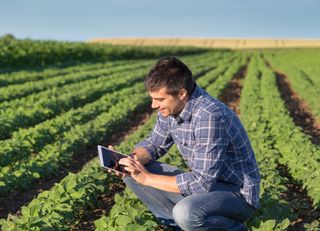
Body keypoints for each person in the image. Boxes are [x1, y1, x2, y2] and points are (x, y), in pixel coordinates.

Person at [110, 56, 260, 231]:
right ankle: (179, 227)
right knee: (131, 174)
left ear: (182, 93)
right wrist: (130, 160)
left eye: (159, 99)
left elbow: (201, 183)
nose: (153, 105)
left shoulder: (209, 115)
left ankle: (233, 227)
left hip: (237, 194)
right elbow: (154, 144)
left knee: (186, 212)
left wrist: (148, 178)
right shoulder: (171, 108)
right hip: (209, 187)